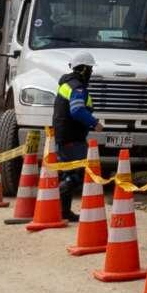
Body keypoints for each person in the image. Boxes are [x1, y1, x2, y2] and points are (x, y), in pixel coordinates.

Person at [49, 60, 98, 221]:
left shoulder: (66, 84)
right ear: (83, 69)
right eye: (90, 69)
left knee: (68, 173)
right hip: (72, 138)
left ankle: (63, 211)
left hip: (64, 136)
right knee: (76, 174)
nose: (91, 72)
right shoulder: (77, 87)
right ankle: (57, 209)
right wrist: (94, 123)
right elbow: (77, 110)